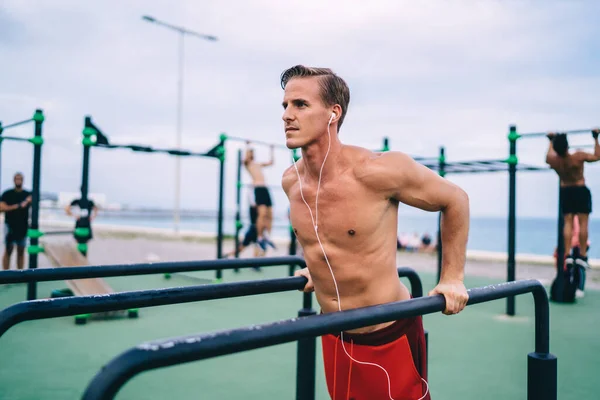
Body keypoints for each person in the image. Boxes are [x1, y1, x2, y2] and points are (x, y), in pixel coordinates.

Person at [282, 65, 470, 400]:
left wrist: (452, 276)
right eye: (284, 106)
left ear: (333, 113)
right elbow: (327, 235)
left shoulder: (377, 171)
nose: (287, 115)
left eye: (300, 105)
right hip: (333, 333)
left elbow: (455, 200)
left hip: (388, 331)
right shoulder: (291, 182)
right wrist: (319, 267)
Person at [546, 129, 599, 270]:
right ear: (567, 146)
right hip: (580, 190)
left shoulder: (554, 161)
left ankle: (568, 254)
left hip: (566, 191)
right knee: (583, 223)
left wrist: (550, 141)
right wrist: (595, 138)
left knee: (568, 222)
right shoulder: (578, 156)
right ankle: (582, 256)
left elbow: (548, 157)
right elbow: (597, 156)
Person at [244, 143, 276, 251]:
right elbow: (246, 158)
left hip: (265, 188)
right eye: (250, 153)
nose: (251, 155)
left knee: (270, 214)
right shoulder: (247, 164)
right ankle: (259, 237)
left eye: (252, 153)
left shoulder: (257, 164)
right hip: (257, 189)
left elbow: (271, 162)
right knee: (262, 214)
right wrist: (247, 146)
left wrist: (271, 150)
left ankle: (267, 236)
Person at [0, 172, 32, 270]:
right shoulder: (7, 193)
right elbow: (1, 208)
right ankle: (5, 276)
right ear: (14, 180)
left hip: (23, 226)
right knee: (8, 250)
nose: (18, 181)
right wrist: (18, 206)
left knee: (21, 251)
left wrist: (27, 202)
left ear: (23, 180)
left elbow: (34, 204)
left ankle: (20, 275)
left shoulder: (27, 194)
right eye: (17, 179)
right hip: (9, 225)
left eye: (20, 179)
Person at [225, 193, 266, 263]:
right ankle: (226, 255)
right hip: (253, 230)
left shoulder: (257, 209)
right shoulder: (254, 208)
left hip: (255, 230)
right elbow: (251, 200)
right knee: (242, 248)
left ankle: (256, 263)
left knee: (259, 247)